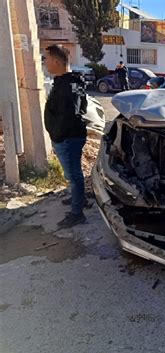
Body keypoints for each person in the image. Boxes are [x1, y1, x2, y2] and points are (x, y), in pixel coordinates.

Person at [43, 44, 88, 228]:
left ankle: (77, 213)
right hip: (70, 136)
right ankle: (80, 199)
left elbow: (70, 114)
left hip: (68, 138)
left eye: (46, 59)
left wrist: (57, 135)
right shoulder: (70, 81)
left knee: (73, 175)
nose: (44, 63)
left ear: (55, 61)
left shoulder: (67, 85)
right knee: (75, 173)